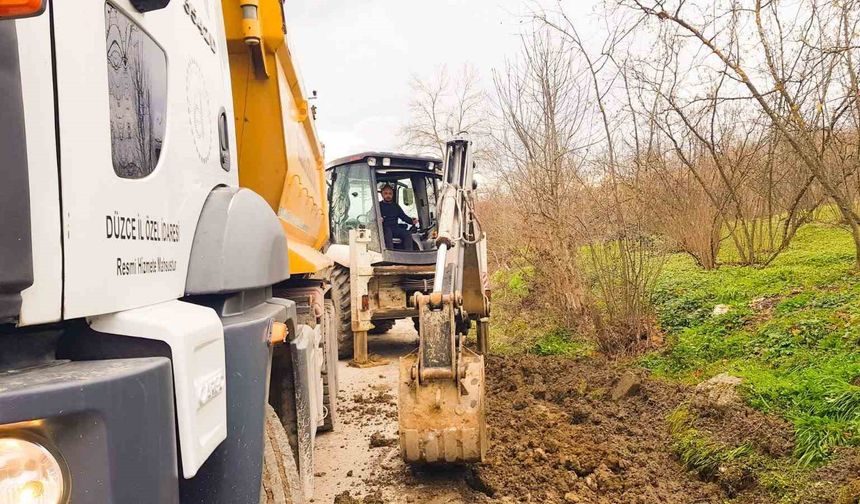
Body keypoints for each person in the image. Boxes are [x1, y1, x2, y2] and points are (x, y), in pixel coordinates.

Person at [379, 183, 418, 251]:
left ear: (392, 194)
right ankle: (390, 253)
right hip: (383, 229)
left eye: (390, 193)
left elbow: (403, 216)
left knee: (407, 233)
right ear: (382, 194)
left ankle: (409, 253)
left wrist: (412, 221)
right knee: (388, 232)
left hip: (394, 228)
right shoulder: (378, 206)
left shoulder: (395, 206)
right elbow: (371, 216)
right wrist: (379, 219)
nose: (388, 195)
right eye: (386, 193)